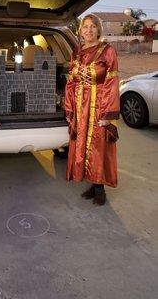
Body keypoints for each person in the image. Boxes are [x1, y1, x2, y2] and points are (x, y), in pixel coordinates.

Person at [64, 14, 120, 205]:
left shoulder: (108, 51)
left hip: (98, 106)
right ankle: (92, 183)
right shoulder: (76, 52)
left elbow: (112, 82)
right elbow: (71, 82)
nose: (88, 30)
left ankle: (100, 188)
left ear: (98, 30)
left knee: (98, 147)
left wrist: (107, 114)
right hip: (80, 107)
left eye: (92, 27)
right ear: (80, 31)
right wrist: (70, 108)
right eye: (85, 27)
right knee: (82, 146)